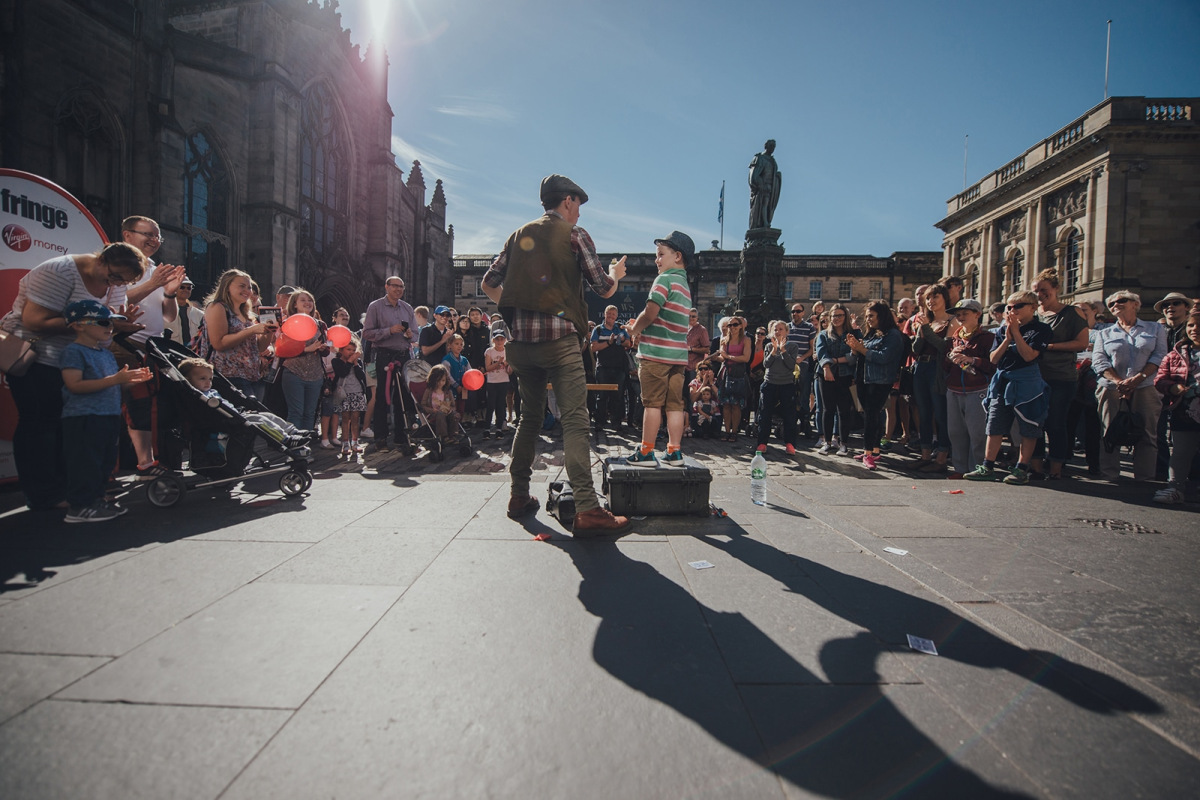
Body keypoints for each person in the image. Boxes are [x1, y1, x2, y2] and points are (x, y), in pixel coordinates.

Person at [481, 174, 629, 533]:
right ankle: (588, 509)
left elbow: (488, 283)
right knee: (575, 420)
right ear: (567, 201)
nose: (579, 212)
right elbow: (604, 288)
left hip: (521, 346)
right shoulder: (574, 235)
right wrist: (616, 273)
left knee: (528, 418)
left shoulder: (518, 235)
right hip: (560, 343)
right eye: (578, 204)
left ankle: (518, 495)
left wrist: (517, 307)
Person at [0, 242, 146, 511]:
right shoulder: (59, 271)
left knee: (70, 429)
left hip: (78, 359)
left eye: (123, 282)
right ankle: (43, 495)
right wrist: (95, 323)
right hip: (38, 358)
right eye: (114, 277)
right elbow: (34, 321)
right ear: (101, 260)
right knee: (41, 424)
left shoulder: (116, 283)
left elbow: (104, 324)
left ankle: (72, 489)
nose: (116, 285)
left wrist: (117, 326)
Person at [59, 300, 152, 522]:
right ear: (78, 325)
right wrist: (116, 379)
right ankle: (80, 507)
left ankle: (97, 501)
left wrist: (130, 381)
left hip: (108, 415)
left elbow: (112, 385)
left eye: (111, 323)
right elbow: (74, 385)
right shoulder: (74, 351)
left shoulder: (105, 353)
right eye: (102, 322)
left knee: (105, 462)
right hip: (84, 417)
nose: (109, 327)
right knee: (86, 463)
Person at [964, 291, 1053, 485]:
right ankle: (987, 466)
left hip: (1027, 381)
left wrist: (1017, 333)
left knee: (1028, 426)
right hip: (1002, 380)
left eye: (1018, 306)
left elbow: (1029, 356)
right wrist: (1007, 338)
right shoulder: (1002, 330)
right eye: (1010, 307)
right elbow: (994, 358)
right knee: (994, 424)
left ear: (1033, 307)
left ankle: (1021, 468)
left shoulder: (1041, 329)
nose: (1013, 310)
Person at [625, 231, 694, 466]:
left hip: (655, 355)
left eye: (660, 254)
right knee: (675, 406)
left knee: (652, 404)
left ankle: (646, 451)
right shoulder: (684, 286)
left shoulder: (664, 280)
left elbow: (650, 313)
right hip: (678, 358)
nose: (657, 260)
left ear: (678, 256)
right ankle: (674, 451)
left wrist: (634, 329)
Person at [1091, 290, 1167, 482]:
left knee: (1148, 432)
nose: (1115, 305)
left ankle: (1145, 476)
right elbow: (1099, 361)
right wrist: (1119, 382)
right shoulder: (1104, 333)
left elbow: (1160, 356)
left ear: (1135, 304)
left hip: (1146, 386)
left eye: (1121, 301)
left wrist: (1138, 378)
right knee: (1109, 430)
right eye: (1111, 304)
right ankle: (1109, 474)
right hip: (1111, 388)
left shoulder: (1155, 329)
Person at [1032, 269, 1090, 479]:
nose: (1040, 294)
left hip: (1061, 376)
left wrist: (1049, 347)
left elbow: (1082, 343)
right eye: (1036, 291)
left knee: (1055, 423)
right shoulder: (1033, 315)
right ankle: (1036, 468)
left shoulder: (1072, 313)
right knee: (1034, 423)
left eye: (1044, 290)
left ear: (1056, 288)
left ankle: (1056, 469)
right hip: (1034, 376)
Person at [846, 302, 905, 470]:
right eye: (867, 316)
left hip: (879, 381)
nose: (868, 319)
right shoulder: (872, 334)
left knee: (872, 416)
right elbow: (861, 355)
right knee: (871, 415)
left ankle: (868, 453)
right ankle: (875, 450)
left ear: (881, 316)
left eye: (871, 316)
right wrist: (855, 349)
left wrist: (861, 349)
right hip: (864, 379)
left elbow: (884, 357)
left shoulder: (893, 335)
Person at [201, 268, 275, 401]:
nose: (247, 290)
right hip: (228, 376)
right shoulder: (217, 307)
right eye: (242, 286)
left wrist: (269, 331)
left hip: (252, 376)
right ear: (227, 286)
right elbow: (219, 343)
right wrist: (251, 330)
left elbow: (259, 348)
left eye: (249, 287)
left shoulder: (248, 314)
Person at [362, 276, 417, 453]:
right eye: (395, 286)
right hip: (384, 356)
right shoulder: (375, 306)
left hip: (403, 355)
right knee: (382, 397)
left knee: (403, 398)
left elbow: (416, 334)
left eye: (401, 287)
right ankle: (381, 438)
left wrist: (410, 335)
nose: (398, 289)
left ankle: (402, 437)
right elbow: (367, 333)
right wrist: (389, 331)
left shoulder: (407, 308)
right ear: (386, 287)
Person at [910, 283, 960, 473]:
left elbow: (944, 348)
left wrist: (926, 329)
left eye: (935, 297)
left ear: (944, 298)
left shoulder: (952, 321)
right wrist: (920, 333)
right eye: (928, 298)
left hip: (937, 369)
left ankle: (941, 457)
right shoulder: (927, 321)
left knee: (940, 414)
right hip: (921, 367)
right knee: (923, 413)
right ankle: (925, 455)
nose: (931, 301)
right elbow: (916, 349)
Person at [944, 299, 996, 476]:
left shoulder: (988, 338)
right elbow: (945, 366)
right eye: (958, 315)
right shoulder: (954, 338)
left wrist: (973, 360)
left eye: (965, 313)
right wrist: (950, 357)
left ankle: (977, 469)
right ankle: (960, 468)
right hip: (954, 389)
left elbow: (994, 365)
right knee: (955, 432)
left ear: (977, 314)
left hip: (978, 389)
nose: (960, 317)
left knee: (977, 433)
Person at [1153, 310, 1200, 503]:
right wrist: (1173, 388)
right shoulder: (1176, 354)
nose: (1194, 329)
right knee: (1181, 452)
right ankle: (1175, 488)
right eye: (1191, 325)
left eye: (1199, 325)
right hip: (1184, 411)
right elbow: (1160, 379)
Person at [815, 304, 858, 456]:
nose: (836, 318)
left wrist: (838, 360)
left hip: (846, 375)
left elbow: (855, 356)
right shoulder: (823, 335)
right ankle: (827, 442)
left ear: (845, 316)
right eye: (834, 315)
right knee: (828, 409)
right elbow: (821, 353)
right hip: (826, 374)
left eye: (840, 315)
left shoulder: (853, 333)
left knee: (844, 410)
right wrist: (827, 367)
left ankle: (843, 443)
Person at [756, 319, 800, 455]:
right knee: (765, 414)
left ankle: (790, 443)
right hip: (770, 383)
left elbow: (791, 365)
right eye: (775, 329)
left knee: (789, 416)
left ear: (786, 331)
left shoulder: (793, 346)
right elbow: (766, 364)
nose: (778, 331)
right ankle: (762, 443)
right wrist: (774, 351)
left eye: (781, 329)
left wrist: (783, 350)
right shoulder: (769, 346)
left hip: (786, 384)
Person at [590, 304, 631, 430]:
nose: (611, 316)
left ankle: (616, 422)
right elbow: (593, 348)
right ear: (605, 314)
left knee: (617, 396)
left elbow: (628, 343)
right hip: (603, 367)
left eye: (613, 314)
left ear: (617, 316)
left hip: (619, 367)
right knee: (601, 396)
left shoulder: (621, 327)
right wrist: (609, 342)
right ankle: (600, 422)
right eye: (609, 314)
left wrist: (621, 340)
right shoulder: (598, 329)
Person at [329, 336, 368, 455]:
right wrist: (350, 361)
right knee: (345, 418)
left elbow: (362, 376)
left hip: (357, 391)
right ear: (341, 350)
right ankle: (345, 443)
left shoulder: (358, 361)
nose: (351, 352)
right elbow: (342, 373)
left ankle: (355, 441)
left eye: (353, 350)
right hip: (344, 393)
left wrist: (356, 364)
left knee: (356, 418)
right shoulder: (336, 361)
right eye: (348, 349)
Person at [319, 307, 351, 449]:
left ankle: (334, 437)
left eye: (346, 314)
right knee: (327, 411)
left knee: (337, 410)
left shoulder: (346, 342)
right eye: (341, 315)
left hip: (340, 383)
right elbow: (323, 364)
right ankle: (324, 438)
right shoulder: (327, 346)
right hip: (328, 382)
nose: (344, 317)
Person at [717, 315, 752, 442]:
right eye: (730, 325)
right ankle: (727, 431)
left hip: (739, 373)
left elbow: (746, 358)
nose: (732, 327)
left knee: (736, 404)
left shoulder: (746, 340)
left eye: (735, 325)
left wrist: (729, 357)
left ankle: (734, 432)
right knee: (726, 404)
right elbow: (722, 357)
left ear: (741, 326)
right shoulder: (724, 339)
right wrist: (716, 357)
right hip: (726, 372)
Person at [788, 302, 817, 437]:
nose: (795, 314)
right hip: (788, 365)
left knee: (804, 393)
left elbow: (812, 349)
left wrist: (802, 358)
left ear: (803, 313)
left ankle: (804, 421)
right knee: (790, 393)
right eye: (793, 311)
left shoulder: (809, 327)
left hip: (803, 364)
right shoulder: (787, 327)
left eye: (798, 311)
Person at [420, 365, 461, 444]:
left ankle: (453, 435)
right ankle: (444, 436)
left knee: (454, 415)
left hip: (446, 413)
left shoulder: (448, 392)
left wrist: (450, 410)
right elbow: (423, 405)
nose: (440, 383)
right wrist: (432, 410)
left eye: (443, 380)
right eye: (438, 380)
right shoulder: (429, 391)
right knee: (440, 414)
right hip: (434, 414)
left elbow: (453, 405)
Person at [482, 329, 511, 436]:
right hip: (492, 381)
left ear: (505, 340)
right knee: (490, 405)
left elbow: (510, 370)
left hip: (504, 381)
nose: (499, 341)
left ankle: (499, 428)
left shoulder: (508, 351)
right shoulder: (489, 351)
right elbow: (488, 368)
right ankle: (487, 428)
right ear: (493, 340)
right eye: (497, 339)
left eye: (501, 339)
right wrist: (498, 363)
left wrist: (507, 366)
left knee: (501, 405)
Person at [748, 139, 780, 229]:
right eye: (771, 146)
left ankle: (766, 221)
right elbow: (753, 176)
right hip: (761, 187)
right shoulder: (759, 158)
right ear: (766, 146)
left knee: (767, 204)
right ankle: (764, 222)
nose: (772, 148)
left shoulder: (773, 161)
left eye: (774, 147)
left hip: (770, 187)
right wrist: (760, 184)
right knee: (763, 204)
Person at [164, 278, 205, 344]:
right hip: (171, 348)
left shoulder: (199, 314)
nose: (186, 290)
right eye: (182, 287)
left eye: (189, 288)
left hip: (192, 349)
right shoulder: (164, 311)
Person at [685, 308, 711, 390]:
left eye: (693, 316)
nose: (691, 318)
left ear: (697, 318)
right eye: (689, 316)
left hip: (693, 368)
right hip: (682, 366)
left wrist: (691, 349)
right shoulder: (684, 329)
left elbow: (707, 349)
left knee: (692, 392)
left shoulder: (702, 330)